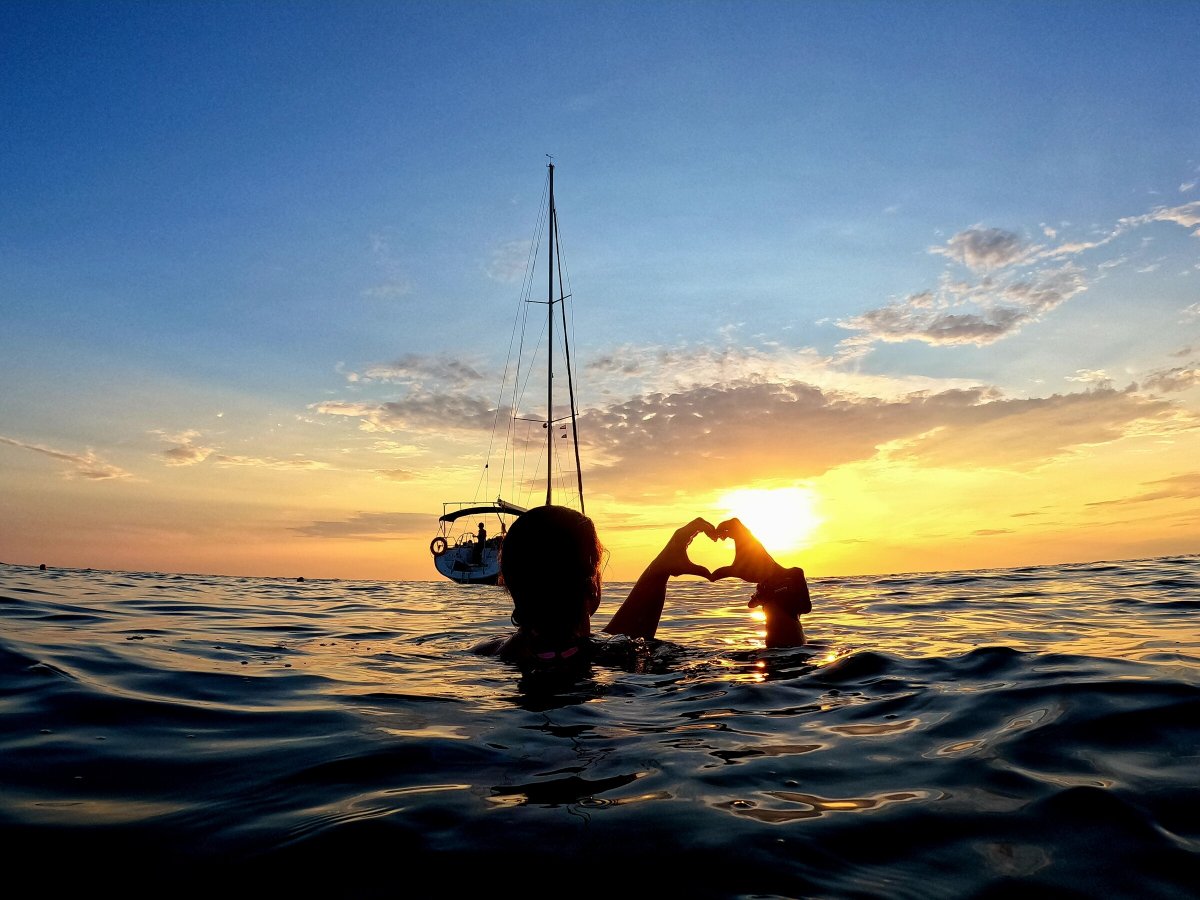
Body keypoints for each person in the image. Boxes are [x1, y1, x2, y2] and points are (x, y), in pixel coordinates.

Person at [472, 505, 811, 668]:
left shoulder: (488, 653)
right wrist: (775, 583)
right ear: (592, 588)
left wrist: (659, 570)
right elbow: (786, 670)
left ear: (509, 584)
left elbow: (584, 643)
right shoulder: (618, 657)